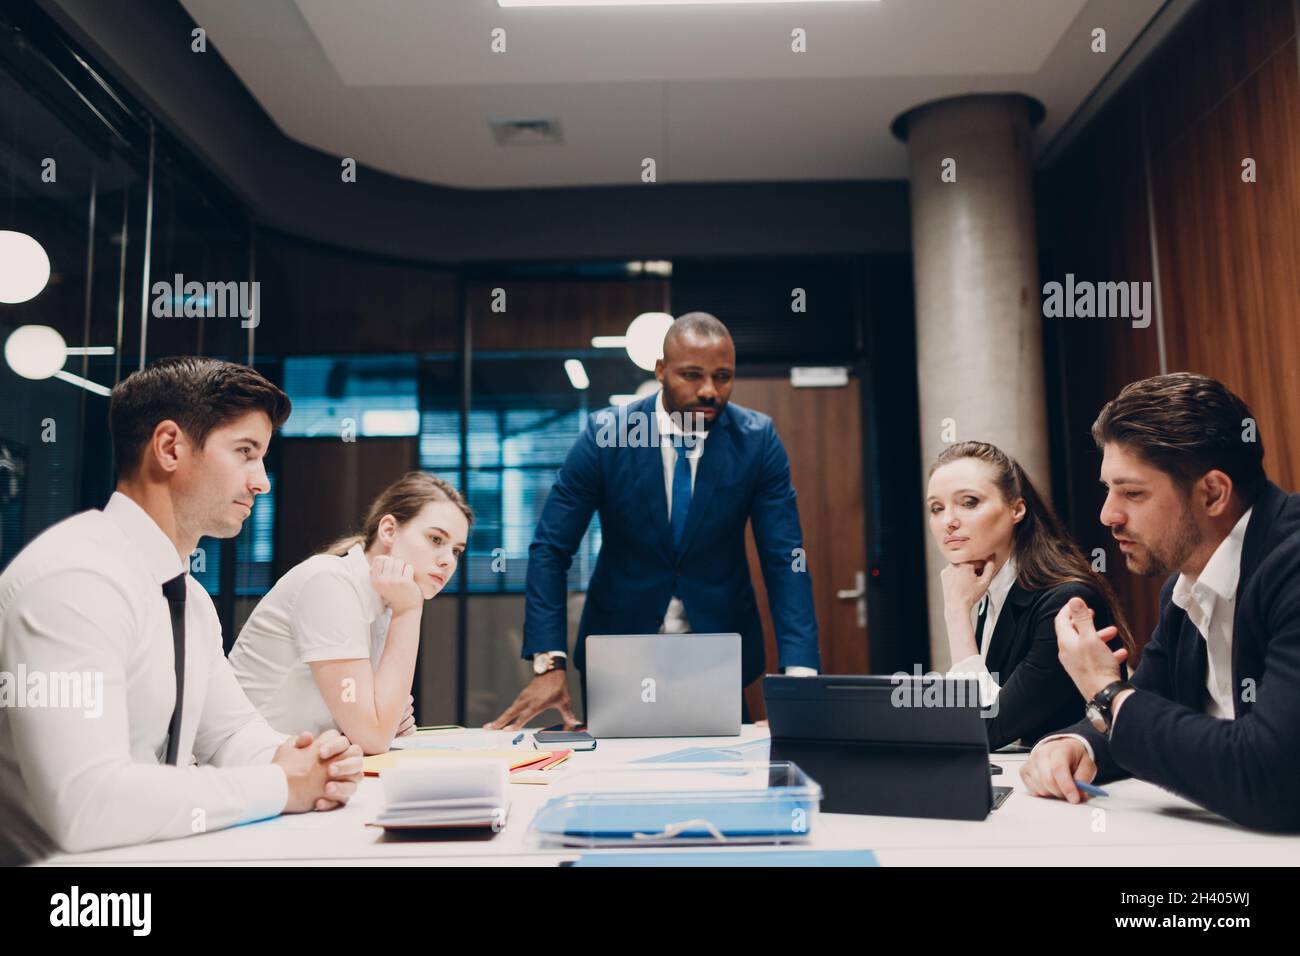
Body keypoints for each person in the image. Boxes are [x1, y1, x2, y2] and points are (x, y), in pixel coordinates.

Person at [0, 357, 363, 855]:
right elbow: (85, 806)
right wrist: (283, 784)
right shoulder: (74, 578)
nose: (263, 482)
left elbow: (230, 733)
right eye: (245, 452)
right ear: (170, 447)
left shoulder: (187, 597)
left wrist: (307, 760)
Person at [487, 312, 820, 730]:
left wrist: (801, 674)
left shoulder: (756, 440)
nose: (709, 391)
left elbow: (784, 558)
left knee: (723, 782)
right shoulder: (606, 436)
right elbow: (551, 550)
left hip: (716, 654)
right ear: (661, 370)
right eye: (692, 375)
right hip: (619, 652)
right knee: (616, 783)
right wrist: (547, 661)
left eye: (723, 377)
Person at [1022, 373, 1300, 831]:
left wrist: (1105, 691)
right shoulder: (1184, 587)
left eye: (1132, 493)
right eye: (1108, 489)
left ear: (1212, 492)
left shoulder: (1290, 566)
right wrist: (1078, 744)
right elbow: (1149, 707)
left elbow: (1272, 776)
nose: (1107, 515)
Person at [231, 472, 470, 754]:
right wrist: (409, 611)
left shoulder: (383, 606)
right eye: (435, 539)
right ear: (389, 530)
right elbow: (373, 738)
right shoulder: (330, 583)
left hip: (294, 768)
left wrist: (386, 717)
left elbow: (374, 726)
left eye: (456, 550)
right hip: (243, 773)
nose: (447, 561)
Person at [927, 442, 1132, 750]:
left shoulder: (1063, 601)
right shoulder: (993, 590)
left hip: (1086, 787)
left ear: (1017, 509)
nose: (948, 521)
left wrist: (956, 613)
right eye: (936, 508)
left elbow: (982, 728)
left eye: (969, 502)